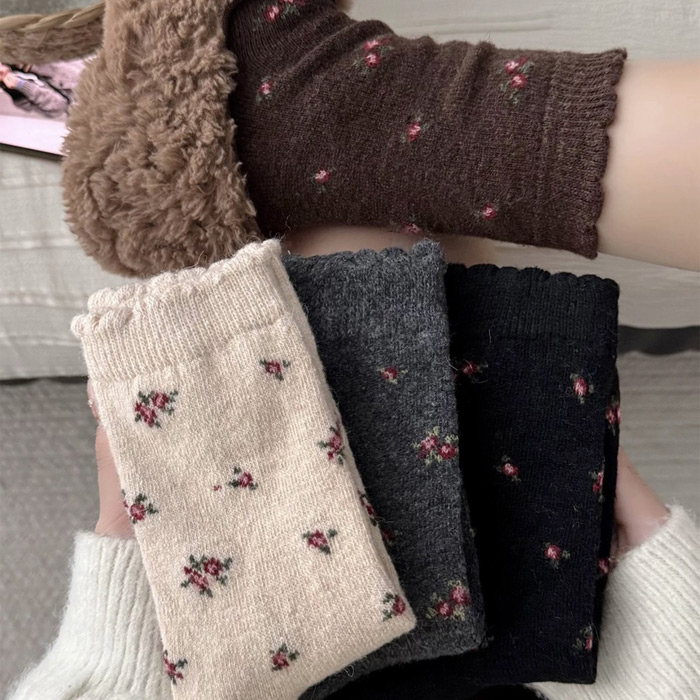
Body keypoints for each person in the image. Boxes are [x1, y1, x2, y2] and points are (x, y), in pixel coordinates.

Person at [6, 355, 699, 700]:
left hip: (249, 636)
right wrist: (654, 556)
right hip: (499, 628)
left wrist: (121, 556)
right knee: (452, 304)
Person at [0, 62, 70, 118]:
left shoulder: (22, 58)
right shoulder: (18, 98)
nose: (1, 70)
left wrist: (35, 66)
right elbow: (59, 108)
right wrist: (23, 85)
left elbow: (70, 73)